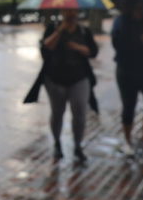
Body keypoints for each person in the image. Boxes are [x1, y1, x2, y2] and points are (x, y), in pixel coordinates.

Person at [38, 8, 98, 162]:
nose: (71, 15)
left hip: (79, 78)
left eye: (73, 12)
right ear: (63, 13)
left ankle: (78, 145)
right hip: (55, 78)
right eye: (67, 12)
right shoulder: (53, 28)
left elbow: (93, 51)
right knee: (57, 112)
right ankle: (57, 144)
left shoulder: (84, 31)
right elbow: (46, 47)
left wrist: (77, 47)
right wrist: (59, 31)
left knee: (80, 112)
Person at [111, 1, 143, 155]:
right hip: (126, 69)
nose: (140, 10)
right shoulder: (121, 22)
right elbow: (117, 43)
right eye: (137, 7)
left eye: (142, 7)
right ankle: (127, 140)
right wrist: (138, 40)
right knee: (129, 106)